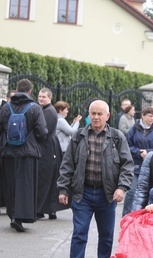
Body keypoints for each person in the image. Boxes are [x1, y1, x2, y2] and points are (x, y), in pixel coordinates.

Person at [57, 100, 134, 258]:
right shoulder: (78, 136)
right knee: (79, 234)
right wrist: (63, 189)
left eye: (100, 114)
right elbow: (67, 164)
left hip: (107, 195)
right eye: (93, 113)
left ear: (108, 116)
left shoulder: (117, 137)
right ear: (89, 115)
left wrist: (122, 187)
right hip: (82, 194)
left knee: (106, 236)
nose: (96, 117)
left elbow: (127, 165)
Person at [0, 79, 48, 232]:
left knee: (11, 184)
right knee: (25, 186)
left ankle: (12, 214)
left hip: (8, 153)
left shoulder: (6, 107)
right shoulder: (35, 108)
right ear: (30, 91)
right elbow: (42, 132)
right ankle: (20, 217)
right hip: (28, 153)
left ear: (16, 89)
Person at [122, 107, 153, 217]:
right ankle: (126, 217)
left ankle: (143, 216)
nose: (152, 118)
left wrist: (147, 152)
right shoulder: (133, 129)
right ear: (143, 116)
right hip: (135, 165)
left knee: (148, 192)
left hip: (150, 165)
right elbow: (127, 146)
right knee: (131, 191)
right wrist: (139, 152)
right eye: (149, 116)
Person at [36, 88, 65, 220]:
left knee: (46, 178)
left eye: (44, 97)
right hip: (49, 147)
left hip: (48, 148)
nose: (41, 99)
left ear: (50, 98)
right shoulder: (46, 110)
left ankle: (45, 209)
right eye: (40, 96)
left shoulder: (48, 111)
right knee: (49, 178)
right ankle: (46, 209)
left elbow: (43, 131)